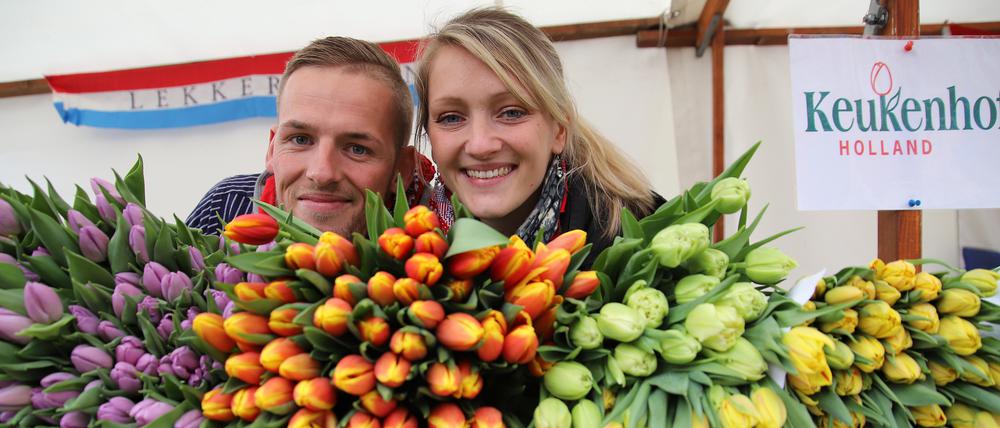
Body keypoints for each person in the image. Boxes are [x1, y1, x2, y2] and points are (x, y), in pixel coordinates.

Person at [415, 7, 661, 264]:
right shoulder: (405, 255)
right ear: (429, 135)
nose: (480, 145)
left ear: (559, 129)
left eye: (511, 113)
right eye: (451, 118)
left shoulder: (648, 253)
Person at [187, 37, 433, 237]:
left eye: (357, 148)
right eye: (301, 140)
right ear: (272, 149)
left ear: (402, 170)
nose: (321, 174)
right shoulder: (224, 209)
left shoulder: (440, 235)